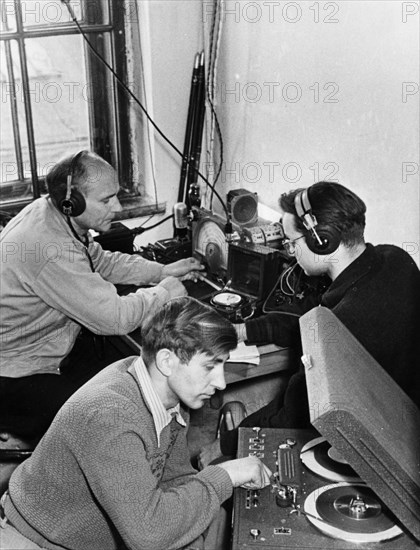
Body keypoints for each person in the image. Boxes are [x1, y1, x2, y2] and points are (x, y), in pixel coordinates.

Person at [0, 297, 272, 550]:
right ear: (167, 361)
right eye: (210, 366)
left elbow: (174, 479)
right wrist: (226, 475)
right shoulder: (110, 417)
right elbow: (149, 534)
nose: (221, 382)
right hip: (35, 539)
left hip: (87, 535)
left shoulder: (161, 391)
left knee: (214, 521)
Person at [199, 181, 420, 466]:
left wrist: (226, 444)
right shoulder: (394, 259)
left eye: (293, 243)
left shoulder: (340, 326)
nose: (291, 252)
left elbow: (291, 413)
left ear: (322, 240)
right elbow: (309, 320)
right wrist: (244, 330)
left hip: (386, 446)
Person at [0, 150, 204, 443]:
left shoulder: (55, 214)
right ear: (74, 202)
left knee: (130, 378)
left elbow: (100, 261)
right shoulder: (48, 246)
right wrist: (163, 293)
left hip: (44, 349)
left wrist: (160, 271)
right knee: (104, 422)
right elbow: (115, 319)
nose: (118, 206)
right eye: (107, 200)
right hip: (14, 375)